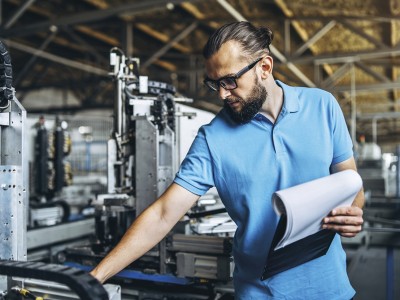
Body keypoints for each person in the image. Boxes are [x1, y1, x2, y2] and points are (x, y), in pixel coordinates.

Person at [90, 21, 364, 299]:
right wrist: (95, 278)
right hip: (260, 293)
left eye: (229, 81)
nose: (221, 94)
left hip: (331, 290)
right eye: (214, 84)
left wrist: (353, 213)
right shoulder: (213, 138)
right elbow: (163, 214)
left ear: (264, 67)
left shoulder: (323, 106)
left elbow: (351, 184)